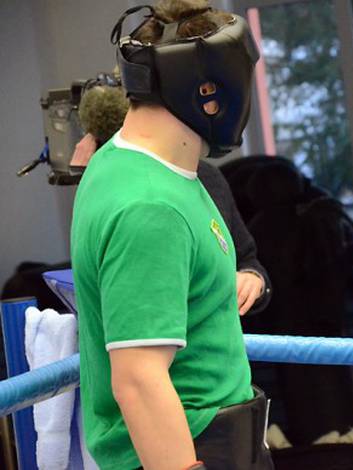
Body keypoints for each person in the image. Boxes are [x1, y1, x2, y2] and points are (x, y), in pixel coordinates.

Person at [71, 1, 273, 469]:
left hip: (214, 432)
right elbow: (139, 379)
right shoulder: (151, 207)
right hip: (193, 443)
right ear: (208, 88)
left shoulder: (121, 162)